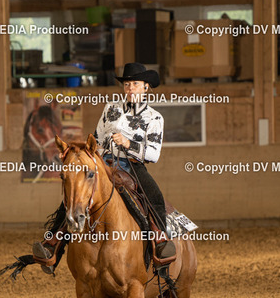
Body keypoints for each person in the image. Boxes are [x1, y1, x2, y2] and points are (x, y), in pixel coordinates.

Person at [32, 62, 176, 274]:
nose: (130, 88)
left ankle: (160, 242)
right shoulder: (111, 109)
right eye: (127, 84)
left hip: (132, 166)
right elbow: (97, 140)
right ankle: (52, 245)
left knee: (154, 196)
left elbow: (153, 154)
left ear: (146, 87)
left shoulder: (154, 118)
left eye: (135, 84)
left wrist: (128, 143)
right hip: (103, 161)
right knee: (75, 194)